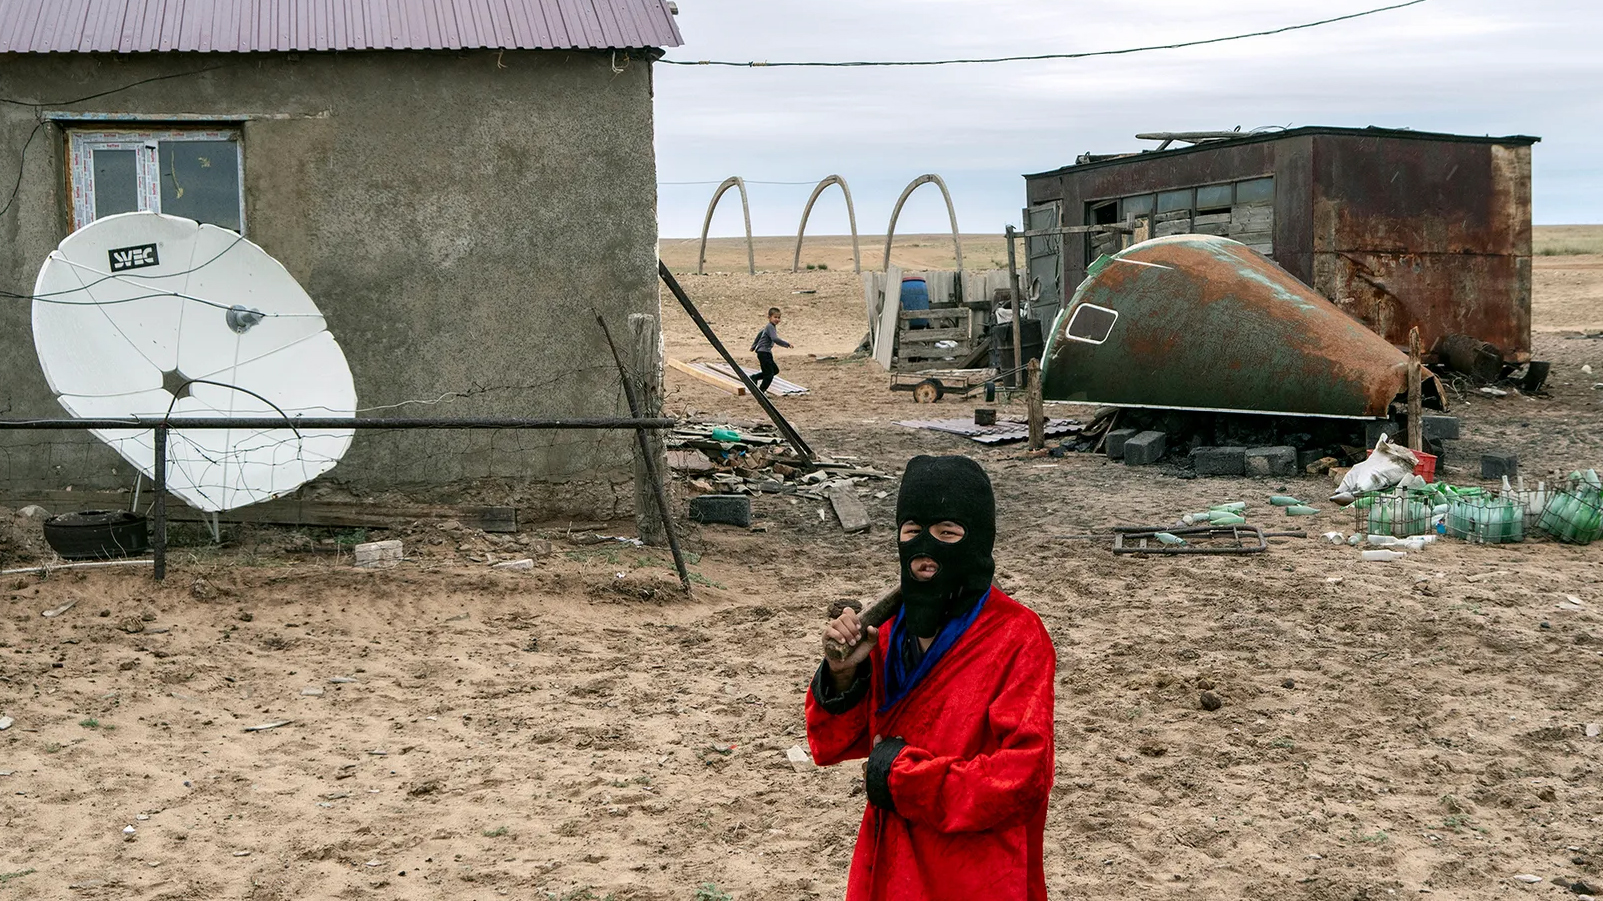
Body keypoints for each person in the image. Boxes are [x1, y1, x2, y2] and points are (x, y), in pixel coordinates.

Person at [805, 455, 1056, 900]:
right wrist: (844, 675)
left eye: (948, 533)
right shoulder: (885, 629)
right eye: (913, 532)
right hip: (890, 859)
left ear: (976, 540)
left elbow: (1024, 778)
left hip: (973, 868)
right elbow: (834, 744)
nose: (926, 550)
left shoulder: (1017, 636)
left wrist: (904, 778)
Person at [750, 306, 792, 393]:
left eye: (779, 317)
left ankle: (755, 377)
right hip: (764, 353)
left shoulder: (769, 327)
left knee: (775, 370)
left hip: (765, 352)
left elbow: (760, 334)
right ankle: (761, 391)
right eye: (775, 317)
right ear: (769, 318)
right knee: (769, 375)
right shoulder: (770, 327)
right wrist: (786, 344)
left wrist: (754, 346)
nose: (777, 319)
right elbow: (775, 339)